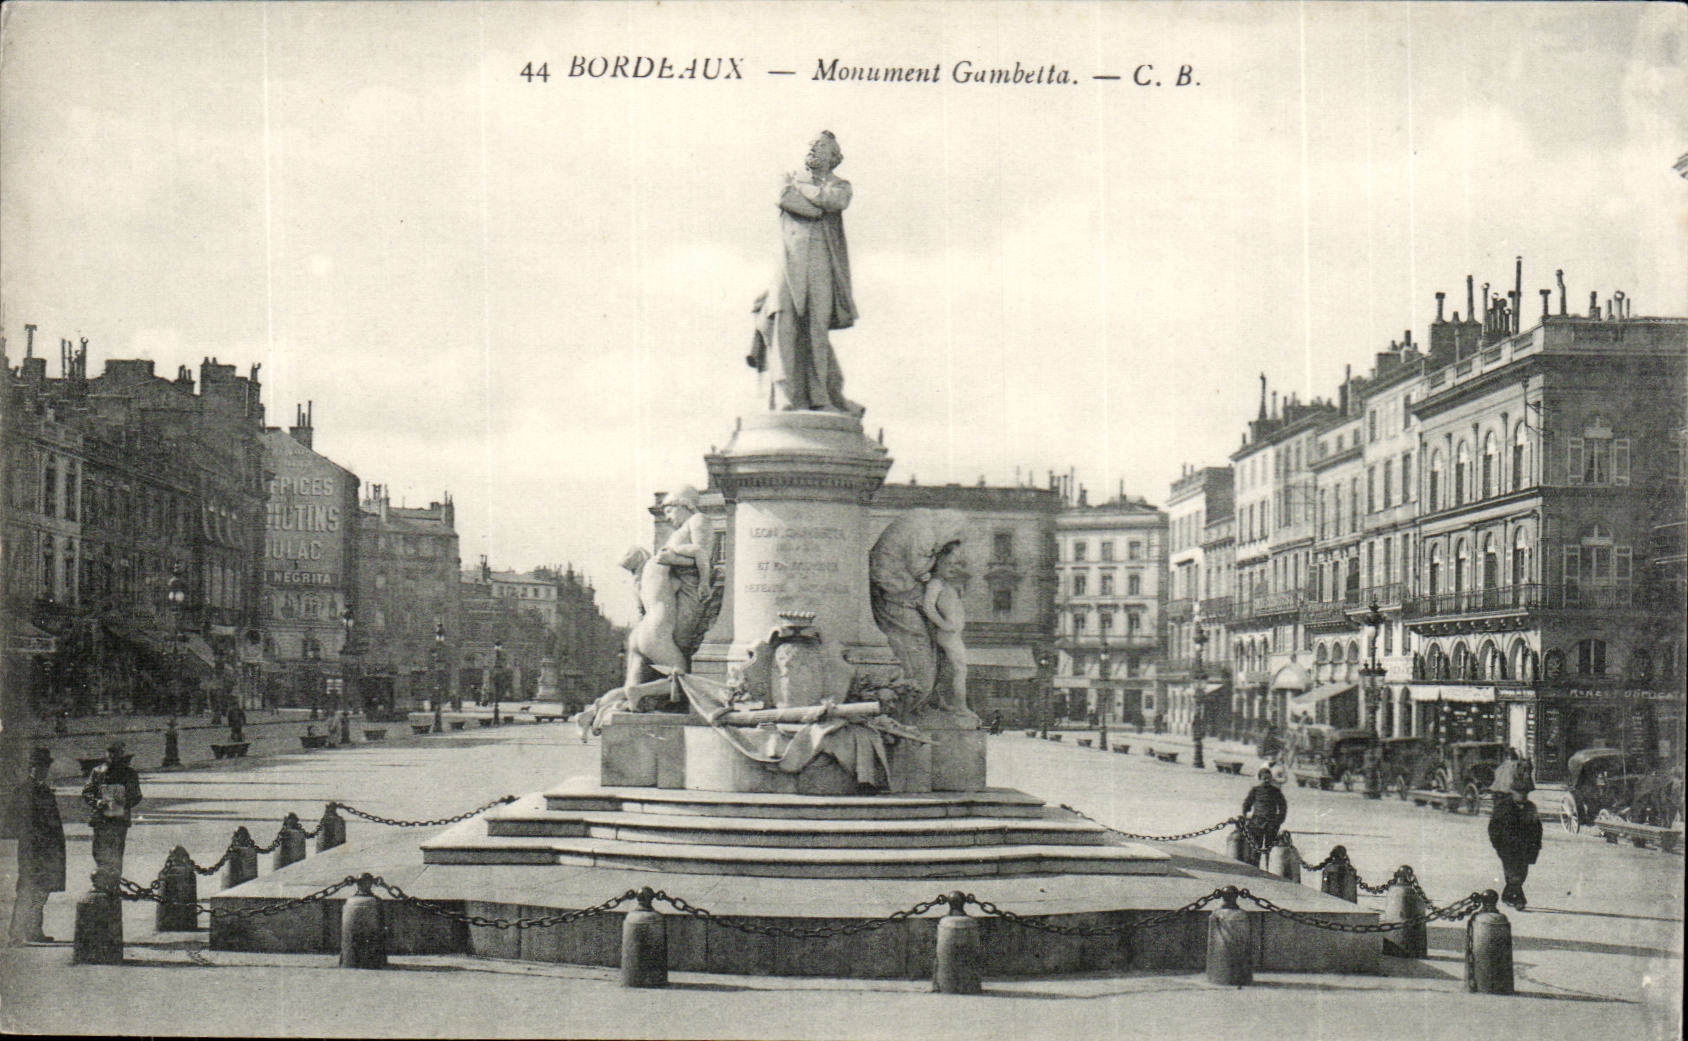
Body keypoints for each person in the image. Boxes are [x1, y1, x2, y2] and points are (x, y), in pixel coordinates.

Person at [748, 131, 861, 415]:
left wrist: (809, 194)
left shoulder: (841, 185)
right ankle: (787, 394)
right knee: (784, 321)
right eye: (811, 144)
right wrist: (816, 205)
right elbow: (788, 199)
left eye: (820, 146)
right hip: (788, 260)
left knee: (817, 328)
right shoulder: (788, 178)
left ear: (834, 157)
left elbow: (837, 201)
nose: (812, 148)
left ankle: (819, 395)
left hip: (823, 261)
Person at [9, 747, 65, 944]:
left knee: (42, 890)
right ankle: (17, 933)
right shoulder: (24, 790)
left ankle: (34, 930)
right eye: (38, 767)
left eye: (44, 768)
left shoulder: (44, 790)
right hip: (32, 849)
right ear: (30, 768)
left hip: (47, 849)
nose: (42, 771)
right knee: (28, 888)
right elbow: (11, 822)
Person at [80, 740, 142, 889]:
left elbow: (137, 795)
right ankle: (100, 881)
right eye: (110, 752)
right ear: (106, 753)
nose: (113, 756)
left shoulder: (129, 773)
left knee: (116, 852)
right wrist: (97, 802)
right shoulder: (97, 772)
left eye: (116, 752)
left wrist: (124, 802)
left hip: (119, 819)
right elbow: (87, 792)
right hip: (101, 819)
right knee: (99, 851)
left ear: (122, 754)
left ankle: (114, 884)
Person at [920, 543, 969, 714]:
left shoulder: (944, 583)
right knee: (960, 669)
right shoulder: (935, 583)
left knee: (949, 669)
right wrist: (944, 625)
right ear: (937, 563)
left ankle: (943, 701)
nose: (953, 568)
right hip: (948, 635)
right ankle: (961, 706)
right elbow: (928, 607)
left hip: (953, 634)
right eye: (948, 564)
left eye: (955, 564)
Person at [1488, 769, 1542, 909]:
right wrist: (1498, 844)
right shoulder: (1503, 807)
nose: (1523, 796)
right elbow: (1493, 828)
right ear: (1513, 793)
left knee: (1522, 875)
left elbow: (1537, 828)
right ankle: (1519, 900)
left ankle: (1507, 895)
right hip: (1508, 848)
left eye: (1525, 794)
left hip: (1526, 848)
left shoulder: (1531, 808)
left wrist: (1536, 845)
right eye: (1520, 793)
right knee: (1513, 875)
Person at [1240, 765, 1288, 868]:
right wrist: (1245, 815)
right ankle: (1255, 868)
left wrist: (1278, 821)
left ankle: (1267, 868)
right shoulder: (1255, 790)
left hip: (1271, 824)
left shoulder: (1276, 792)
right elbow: (1247, 804)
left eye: (1268, 778)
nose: (1266, 780)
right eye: (1264, 778)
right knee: (1255, 848)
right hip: (1257, 822)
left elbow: (1283, 807)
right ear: (1260, 778)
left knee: (1269, 849)